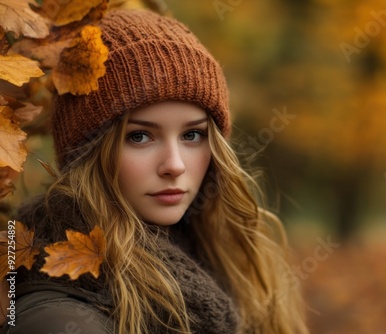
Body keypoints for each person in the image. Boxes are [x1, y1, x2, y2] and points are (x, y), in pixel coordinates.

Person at [0, 8, 309, 334]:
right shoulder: (59, 320)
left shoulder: (228, 262)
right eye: (140, 136)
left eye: (192, 135)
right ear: (88, 155)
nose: (174, 165)